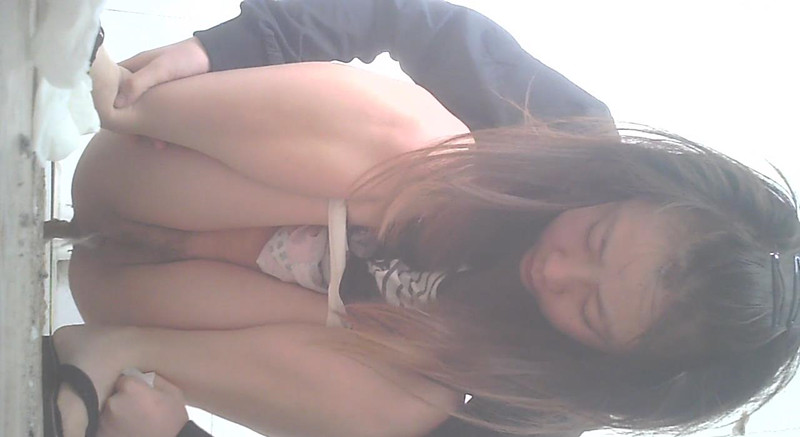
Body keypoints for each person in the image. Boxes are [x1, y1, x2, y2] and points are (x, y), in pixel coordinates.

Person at [51, 3, 800, 437]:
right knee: (441, 156)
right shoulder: (570, 136)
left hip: (139, 307)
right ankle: (118, 90)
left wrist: (173, 429)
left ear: (610, 362)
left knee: (414, 402)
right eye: (597, 238)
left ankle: (111, 351)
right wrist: (217, 52)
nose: (557, 269)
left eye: (591, 310)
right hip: (147, 161)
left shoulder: (536, 407)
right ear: (636, 188)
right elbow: (403, 15)